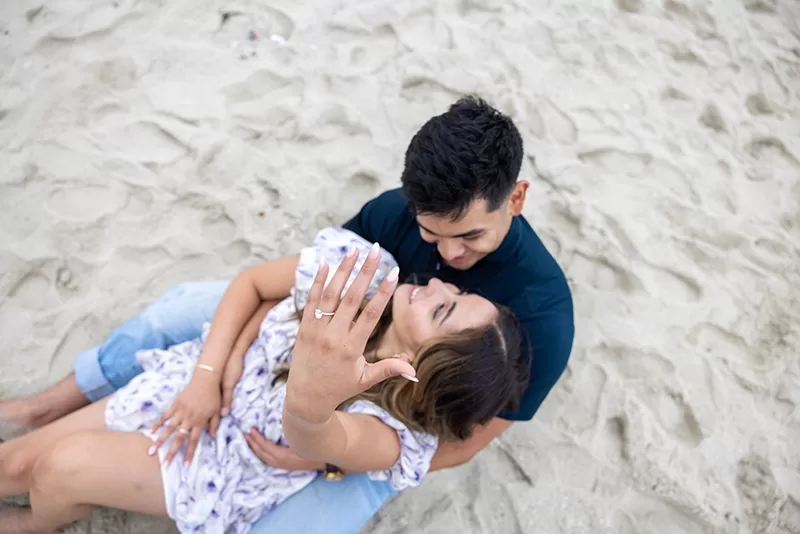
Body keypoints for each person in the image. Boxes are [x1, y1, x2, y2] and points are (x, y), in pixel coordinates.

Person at [0, 96, 575, 532]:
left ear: (516, 199)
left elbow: (459, 443)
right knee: (176, 313)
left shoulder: (540, 316)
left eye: (470, 237)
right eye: (432, 233)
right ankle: (52, 402)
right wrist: (219, 368)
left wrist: (326, 460)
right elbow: (272, 292)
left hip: (353, 432)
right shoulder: (382, 254)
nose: (445, 262)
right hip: (283, 353)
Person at [0, 228, 529, 533]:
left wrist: (316, 392)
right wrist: (207, 375)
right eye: (455, 294)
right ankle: (62, 489)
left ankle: (32, 526)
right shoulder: (367, 274)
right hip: (194, 385)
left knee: (59, 468)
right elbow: (252, 284)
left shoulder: (391, 436)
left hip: (222, 463)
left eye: (443, 312)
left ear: (426, 365)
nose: (437, 285)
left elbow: (315, 435)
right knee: (14, 466)